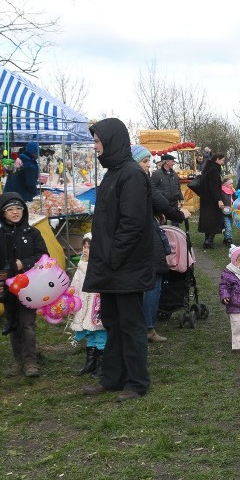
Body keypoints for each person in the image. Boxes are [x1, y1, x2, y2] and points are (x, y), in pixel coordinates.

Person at [82, 118, 156, 402]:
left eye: (98, 141)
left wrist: (113, 256)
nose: (95, 146)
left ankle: (137, 382)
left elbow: (133, 224)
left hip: (126, 266)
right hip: (111, 266)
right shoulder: (113, 173)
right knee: (112, 322)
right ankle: (112, 378)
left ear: (111, 141)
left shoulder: (131, 175)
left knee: (131, 324)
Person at [0, 192, 48, 377]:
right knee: (13, 323)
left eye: (19, 208)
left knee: (27, 323)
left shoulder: (33, 233)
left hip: (30, 287)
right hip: (9, 290)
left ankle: (30, 361)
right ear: (2, 213)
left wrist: (24, 264)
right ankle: (18, 360)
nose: (15, 212)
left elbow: (43, 256)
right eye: (10, 209)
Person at [133, 145, 190, 343]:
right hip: (146, 236)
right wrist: (180, 215)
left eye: (148, 161)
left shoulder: (130, 179)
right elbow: (159, 201)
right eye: (143, 161)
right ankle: (148, 327)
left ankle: (140, 325)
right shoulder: (143, 181)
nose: (147, 165)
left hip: (139, 235)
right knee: (154, 279)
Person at [69, 233, 106, 376]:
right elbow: (76, 283)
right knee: (89, 333)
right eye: (84, 247)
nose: (85, 250)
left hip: (96, 304)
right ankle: (91, 363)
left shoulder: (101, 267)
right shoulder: (82, 265)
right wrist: (72, 297)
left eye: (89, 247)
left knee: (100, 333)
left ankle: (103, 364)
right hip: (84, 303)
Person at [198, 153, 227, 249]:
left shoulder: (207, 168)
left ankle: (207, 240)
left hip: (206, 199)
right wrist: (219, 199)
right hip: (212, 200)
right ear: (217, 159)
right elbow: (213, 187)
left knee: (208, 220)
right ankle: (208, 240)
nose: (223, 162)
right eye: (222, 160)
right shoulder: (214, 170)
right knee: (215, 220)